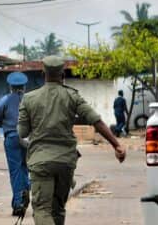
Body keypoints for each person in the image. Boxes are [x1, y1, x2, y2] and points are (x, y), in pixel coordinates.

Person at [18, 56, 126, 225]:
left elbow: (22, 132)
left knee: (42, 210)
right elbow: (96, 121)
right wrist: (116, 145)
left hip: (40, 161)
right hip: (65, 162)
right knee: (58, 208)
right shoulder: (72, 96)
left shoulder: (29, 98)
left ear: (43, 73)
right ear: (62, 74)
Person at [0, 72, 31, 217]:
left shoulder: (4, 100)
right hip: (28, 139)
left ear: (10, 86)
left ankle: (18, 203)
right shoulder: (30, 100)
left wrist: (5, 123)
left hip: (12, 137)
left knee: (15, 171)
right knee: (25, 168)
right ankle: (26, 189)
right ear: (24, 86)